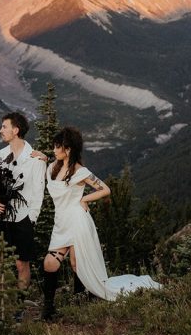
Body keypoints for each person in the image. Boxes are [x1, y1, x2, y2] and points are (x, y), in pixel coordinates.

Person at [40, 126, 161, 320]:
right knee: (50, 263)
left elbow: (105, 189)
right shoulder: (52, 168)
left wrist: (84, 200)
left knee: (76, 263)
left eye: (57, 146)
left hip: (77, 220)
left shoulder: (80, 172)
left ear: (68, 149)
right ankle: (49, 309)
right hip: (61, 222)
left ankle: (76, 301)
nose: (54, 150)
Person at [0, 111, 46, 293]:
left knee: (22, 264)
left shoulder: (35, 159)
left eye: (4, 126)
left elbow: (38, 191)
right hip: (0, 215)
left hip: (22, 218)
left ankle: (19, 305)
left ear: (16, 130)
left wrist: (31, 219)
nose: (0, 130)